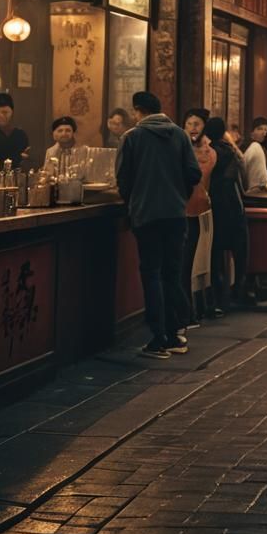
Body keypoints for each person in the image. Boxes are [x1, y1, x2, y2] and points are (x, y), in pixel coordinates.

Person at [115, 92, 201, 360]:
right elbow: (194, 173)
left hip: (147, 216)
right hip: (176, 215)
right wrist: (178, 196)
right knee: (171, 273)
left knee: (151, 273)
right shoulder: (180, 135)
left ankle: (158, 338)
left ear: (138, 111)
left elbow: (123, 179)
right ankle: (176, 333)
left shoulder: (131, 138)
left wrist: (136, 200)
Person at [203, 116, 249, 313]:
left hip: (214, 207)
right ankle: (238, 291)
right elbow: (242, 181)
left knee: (215, 254)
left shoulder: (207, 152)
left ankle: (217, 297)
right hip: (233, 206)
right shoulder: (232, 152)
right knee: (239, 250)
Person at [181, 109, 217, 328]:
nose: (193, 127)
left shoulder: (209, 153)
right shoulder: (179, 148)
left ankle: (192, 311)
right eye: (189, 123)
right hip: (181, 211)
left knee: (193, 265)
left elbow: (198, 175)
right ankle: (188, 312)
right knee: (184, 265)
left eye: (197, 123)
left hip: (198, 211)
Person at [243, 117, 267, 192]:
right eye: (260, 129)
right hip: (252, 188)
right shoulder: (249, 146)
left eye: (266, 130)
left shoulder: (266, 149)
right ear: (252, 132)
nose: (263, 132)